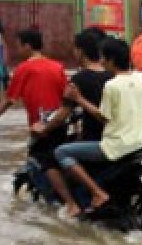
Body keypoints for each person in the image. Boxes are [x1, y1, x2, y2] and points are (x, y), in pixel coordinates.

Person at [53, 37, 142, 213]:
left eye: (103, 58)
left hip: (116, 147)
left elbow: (103, 118)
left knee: (61, 151)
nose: (101, 62)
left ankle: (97, 193)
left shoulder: (112, 85)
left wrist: (79, 99)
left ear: (112, 60)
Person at [25, 27, 112, 217]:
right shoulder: (111, 76)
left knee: (49, 158)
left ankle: (71, 204)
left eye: (75, 48)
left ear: (80, 51)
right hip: (114, 136)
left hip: (96, 139)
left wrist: (44, 128)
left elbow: (63, 115)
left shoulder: (79, 79)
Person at [0, 28, 68, 137]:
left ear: (27, 46)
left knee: (37, 153)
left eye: (19, 46)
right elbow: (68, 98)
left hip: (39, 126)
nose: (18, 50)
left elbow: (9, 100)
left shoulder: (23, 68)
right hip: (59, 123)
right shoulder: (58, 66)